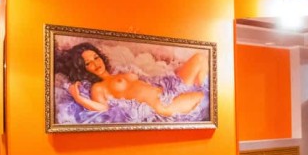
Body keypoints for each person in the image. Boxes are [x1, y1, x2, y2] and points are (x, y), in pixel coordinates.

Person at [61, 42, 208, 117]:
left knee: (200, 58)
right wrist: (79, 98)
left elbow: (146, 80)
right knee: (206, 99)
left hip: (169, 88)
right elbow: (104, 108)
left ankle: (197, 85)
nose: (95, 63)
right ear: (83, 69)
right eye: (88, 63)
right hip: (163, 104)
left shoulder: (119, 72)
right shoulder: (98, 87)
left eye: (96, 57)